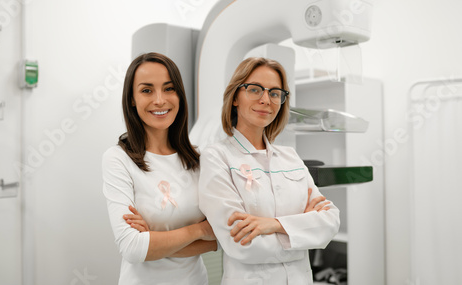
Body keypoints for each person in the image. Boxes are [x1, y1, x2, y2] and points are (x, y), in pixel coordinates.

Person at [198, 57, 340, 284]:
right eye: (254, 89)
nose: (266, 100)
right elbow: (242, 244)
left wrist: (273, 225)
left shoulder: (290, 156)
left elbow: (330, 222)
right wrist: (305, 231)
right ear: (235, 97)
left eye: (275, 93)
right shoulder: (217, 157)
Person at [102, 52, 217, 285]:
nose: (159, 100)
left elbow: (221, 238)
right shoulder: (118, 159)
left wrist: (152, 240)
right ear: (132, 99)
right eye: (146, 90)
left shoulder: (201, 159)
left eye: (168, 88)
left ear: (179, 95)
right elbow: (132, 248)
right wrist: (199, 230)